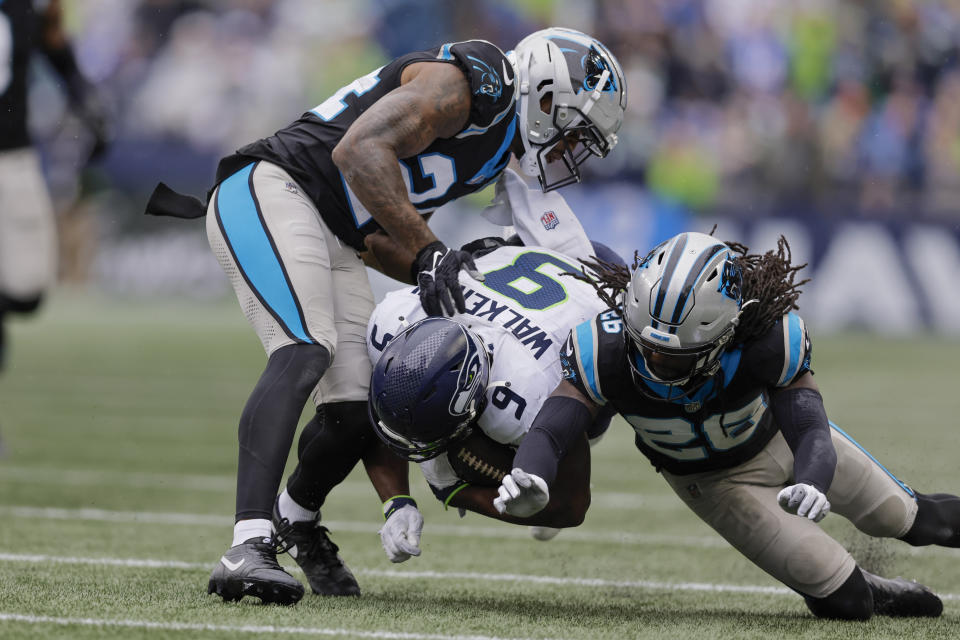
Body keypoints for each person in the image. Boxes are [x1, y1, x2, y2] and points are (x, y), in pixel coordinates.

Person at [145, 28, 626, 605]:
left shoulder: (506, 151)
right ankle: (247, 541)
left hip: (338, 233)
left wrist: (459, 276)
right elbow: (358, 149)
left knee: (357, 404)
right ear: (548, 97)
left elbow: (378, 239)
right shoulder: (478, 81)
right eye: (575, 134)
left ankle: (294, 519)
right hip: (269, 187)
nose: (571, 151)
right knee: (304, 349)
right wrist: (430, 251)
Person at [494, 230, 959, 620]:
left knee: (910, 520)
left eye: (674, 356)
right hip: (713, 484)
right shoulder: (606, 349)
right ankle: (873, 585)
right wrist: (531, 473)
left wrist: (814, 478)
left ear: (725, 332)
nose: (655, 363)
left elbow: (810, 427)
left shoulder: (766, 341)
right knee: (848, 603)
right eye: (647, 347)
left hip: (781, 444)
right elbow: (552, 427)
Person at [277, 166, 621, 581]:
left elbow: (571, 504)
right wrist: (397, 501)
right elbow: (388, 414)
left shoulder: (527, 392)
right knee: (386, 410)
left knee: (596, 412)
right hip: (517, 272)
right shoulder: (396, 318)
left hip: (601, 284)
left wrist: (458, 489)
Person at [0, 0, 107, 372]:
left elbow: (55, 46)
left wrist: (87, 102)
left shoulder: (30, 5)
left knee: (28, 288)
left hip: (13, 154)